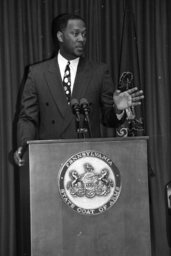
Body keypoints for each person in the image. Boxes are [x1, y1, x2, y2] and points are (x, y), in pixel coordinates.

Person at [14, 13, 144, 166]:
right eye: (75, 34)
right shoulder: (37, 73)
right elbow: (27, 118)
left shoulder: (99, 72)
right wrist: (24, 146)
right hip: (50, 159)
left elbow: (108, 119)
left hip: (89, 161)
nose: (82, 39)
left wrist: (118, 110)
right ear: (60, 36)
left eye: (84, 34)